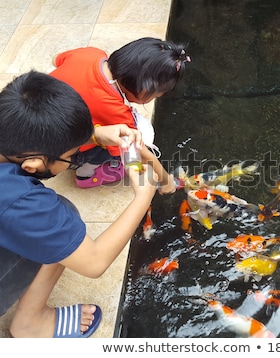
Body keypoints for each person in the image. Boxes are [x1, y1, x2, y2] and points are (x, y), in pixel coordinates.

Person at [0, 71, 158, 338]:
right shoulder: (19, 200)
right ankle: (30, 324)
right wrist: (143, 197)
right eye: (73, 156)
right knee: (63, 221)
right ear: (33, 165)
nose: (75, 159)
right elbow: (94, 263)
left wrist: (94, 135)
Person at [50, 37, 191, 191]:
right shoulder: (116, 112)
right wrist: (166, 181)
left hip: (38, 119)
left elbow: (55, 60)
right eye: (156, 94)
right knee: (130, 140)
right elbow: (139, 154)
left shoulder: (91, 54)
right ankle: (86, 173)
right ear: (144, 89)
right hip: (59, 153)